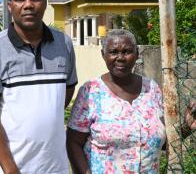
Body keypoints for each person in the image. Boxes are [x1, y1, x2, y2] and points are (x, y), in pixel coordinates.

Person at [0, 0, 77, 174]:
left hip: (56, 167)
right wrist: (10, 169)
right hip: (11, 168)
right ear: (10, 6)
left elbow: (65, 93)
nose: (28, 5)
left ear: (44, 4)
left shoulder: (63, 44)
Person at [66, 29, 196, 173]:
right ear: (103, 55)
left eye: (127, 51)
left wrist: (187, 125)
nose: (120, 57)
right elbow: (74, 142)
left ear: (137, 54)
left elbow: (162, 142)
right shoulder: (91, 92)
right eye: (113, 52)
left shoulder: (151, 89)